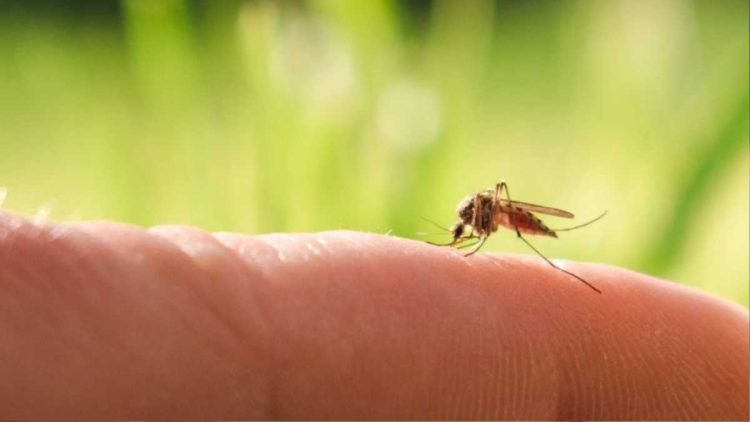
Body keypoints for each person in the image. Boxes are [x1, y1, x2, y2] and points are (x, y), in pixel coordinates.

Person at [0, 210, 746, 419]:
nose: (468, 231)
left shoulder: (495, 217)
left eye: (468, 228)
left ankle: (553, 247)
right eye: (472, 228)